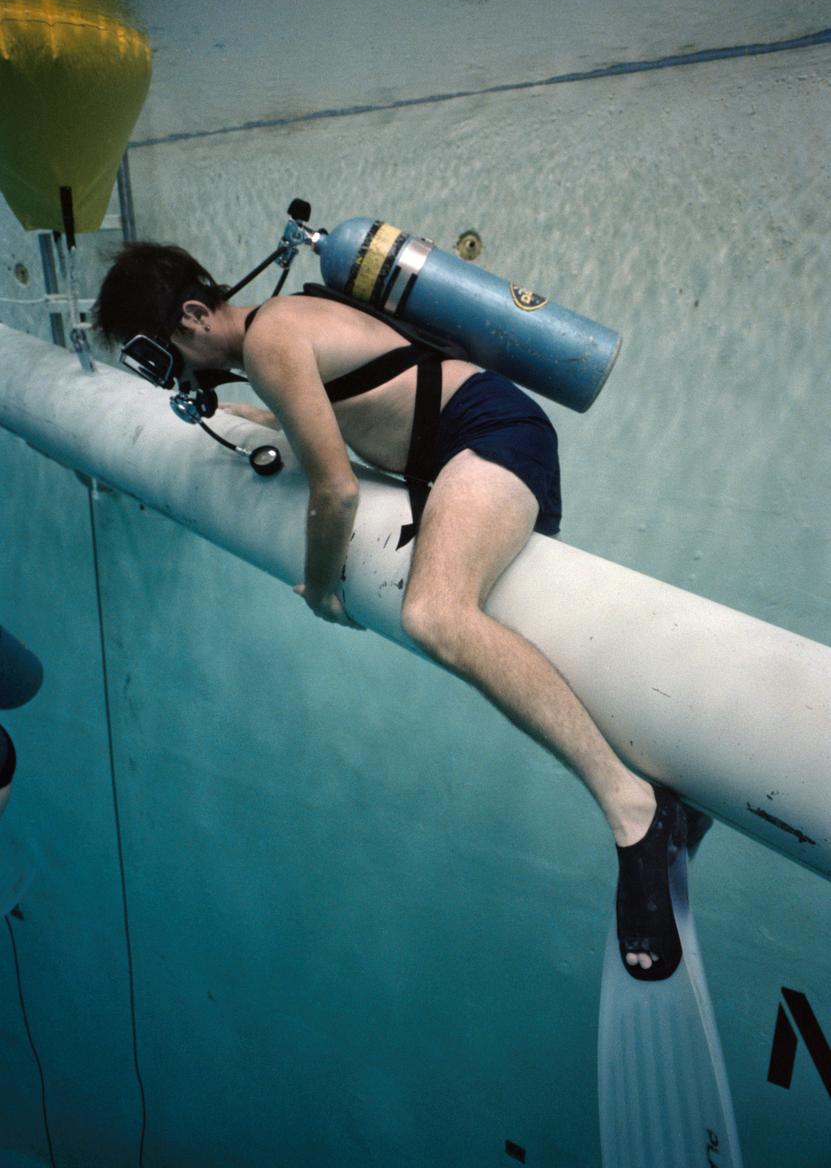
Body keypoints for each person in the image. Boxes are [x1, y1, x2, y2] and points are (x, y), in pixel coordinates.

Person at [95, 241, 692, 980]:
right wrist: (251, 413)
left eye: (158, 356)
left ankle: (634, 809)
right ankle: (642, 803)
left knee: (435, 614)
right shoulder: (274, 337)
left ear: (191, 318)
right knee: (446, 611)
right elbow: (330, 406)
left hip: (491, 436)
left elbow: (337, 491)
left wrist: (320, 589)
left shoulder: (274, 336)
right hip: (465, 446)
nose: (172, 376)